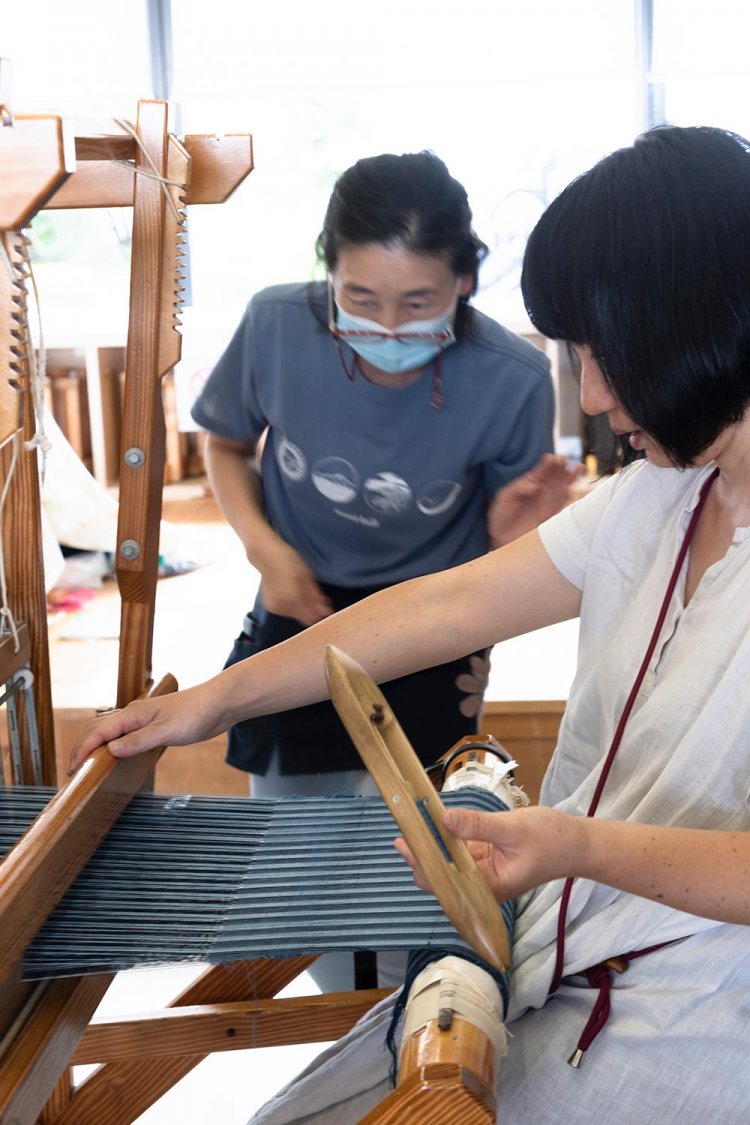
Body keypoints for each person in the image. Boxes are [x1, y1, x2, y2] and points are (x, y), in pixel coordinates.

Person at [70, 123, 750, 1121]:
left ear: (694, 325)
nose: (594, 396)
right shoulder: (659, 496)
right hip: (572, 957)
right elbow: (449, 602)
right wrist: (209, 705)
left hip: (702, 1022)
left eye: (605, 355)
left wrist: (572, 845)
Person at [189, 150, 569, 800]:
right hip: (299, 599)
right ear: (328, 271)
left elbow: (510, 566)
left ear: (465, 282)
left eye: (418, 302)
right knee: (288, 827)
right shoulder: (276, 326)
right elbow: (226, 447)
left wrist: (511, 538)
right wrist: (266, 551)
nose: (388, 328)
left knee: (419, 829)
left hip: (438, 613)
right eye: (359, 298)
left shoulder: (514, 379)